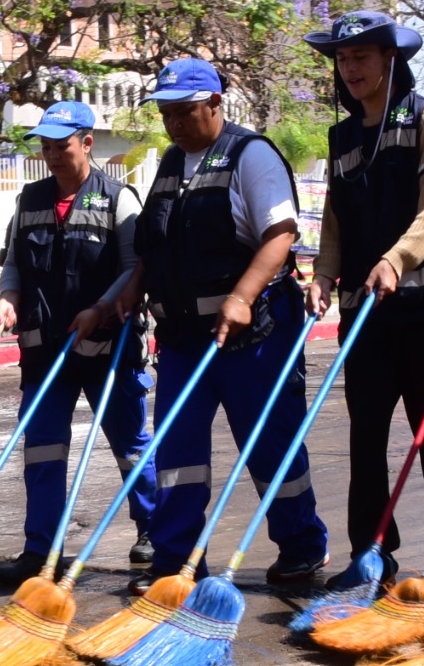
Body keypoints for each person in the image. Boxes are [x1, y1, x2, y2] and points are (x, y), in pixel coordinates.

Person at [121, 58, 328, 593]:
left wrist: (241, 296)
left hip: (252, 335)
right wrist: (132, 286)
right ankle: (176, 563)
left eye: (185, 112)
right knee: (178, 454)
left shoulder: (250, 155)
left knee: (269, 443)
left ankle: (301, 547)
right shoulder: (171, 163)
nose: (174, 124)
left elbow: (280, 234)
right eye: (167, 114)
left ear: (215, 103)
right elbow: (154, 242)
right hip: (183, 337)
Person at [305, 9, 424, 587]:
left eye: (361, 55)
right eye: (342, 58)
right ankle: (371, 551)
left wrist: (397, 258)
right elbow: (334, 222)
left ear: (389, 58)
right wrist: (324, 275)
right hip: (365, 315)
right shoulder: (341, 136)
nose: (350, 67)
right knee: (366, 436)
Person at [0, 100, 158, 584]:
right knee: (42, 450)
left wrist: (101, 308)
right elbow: (13, 262)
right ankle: (41, 551)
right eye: (44, 147)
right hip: (45, 349)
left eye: (60, 146)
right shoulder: (29, 199)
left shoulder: (119, 198)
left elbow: (135, 267)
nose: (51, 156)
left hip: (109, 346)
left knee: (130, 446)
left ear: (87, 143)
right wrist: (7, 297)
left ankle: (153, 530)